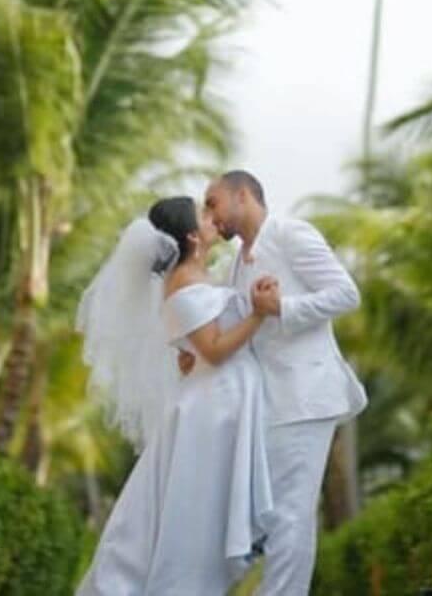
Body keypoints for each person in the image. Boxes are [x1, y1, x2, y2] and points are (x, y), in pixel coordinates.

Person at [75, 196, 279, 595]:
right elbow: (216, 349)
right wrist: (258, 313)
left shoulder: (198, 277)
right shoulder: (183, 284)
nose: (212, 217)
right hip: (210, 411)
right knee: (193, 518)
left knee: (196, 513)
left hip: (219, 401)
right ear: (191, 235)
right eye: (204, 215)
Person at [195, 170, 369, 595]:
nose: (209, 214)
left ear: (242, 195)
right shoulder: (237, 262)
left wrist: (282, 307)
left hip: (307, 396)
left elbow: (346, 293)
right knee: (270, 515)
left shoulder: (291, 234)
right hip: (268, 404)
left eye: (213, 202)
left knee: (291, 513)